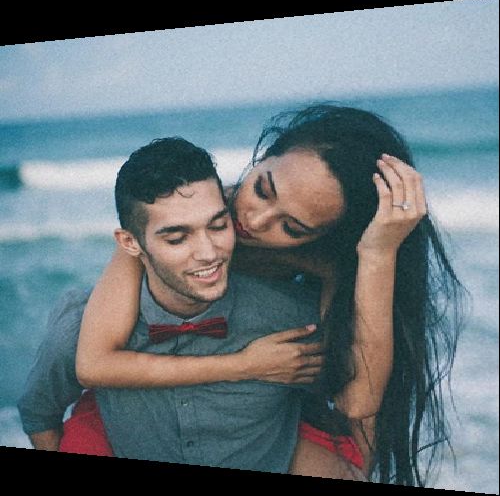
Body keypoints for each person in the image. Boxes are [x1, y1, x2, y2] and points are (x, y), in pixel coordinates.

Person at [64, 104, 465, 485]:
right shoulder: (182, 216)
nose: (254, 221)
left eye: (291, 228)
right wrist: (246, 365)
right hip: (164, 403)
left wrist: (379, 252)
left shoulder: (330, 262)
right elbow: (94, 363)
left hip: (274, 413)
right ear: (265, 156)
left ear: (325, 237)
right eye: (262, 189)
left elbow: (358, 405)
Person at [17, 137, 332, 474]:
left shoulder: (291, 318)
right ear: (130, 243)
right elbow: (39, 414)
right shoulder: (80, 333)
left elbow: (352, 407)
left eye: (218, 225)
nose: (208, 253)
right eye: (177, 238)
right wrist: (244, 365)